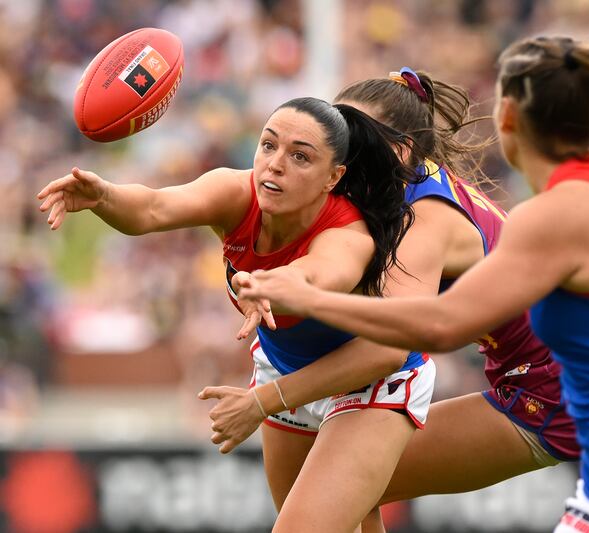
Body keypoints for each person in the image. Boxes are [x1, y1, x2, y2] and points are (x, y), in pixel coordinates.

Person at [240, 38, 589, 532]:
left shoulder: (450, 217)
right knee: (342, 487)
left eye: (351, 134)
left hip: (585, 412)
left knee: (339, 487)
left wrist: (308, 305)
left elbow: (433, 326)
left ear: (507, 120)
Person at [36, 97, 437, 533]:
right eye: (268, 146)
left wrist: (269, 285)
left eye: (300, 156)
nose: (275, 165)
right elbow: (154, 207)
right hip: (285, 367)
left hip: (370, 377)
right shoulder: (236, 192)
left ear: (333, 177)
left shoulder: (347, 232)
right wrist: (104, 196)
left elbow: (319, 277)